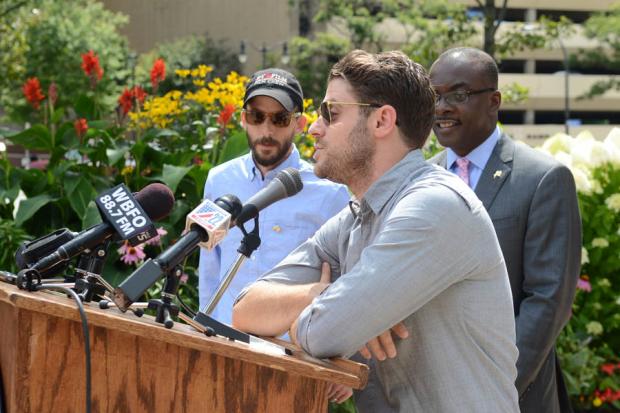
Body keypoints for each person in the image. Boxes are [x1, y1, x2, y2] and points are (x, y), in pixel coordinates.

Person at [233, 50, 519, 412]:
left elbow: (323, 334)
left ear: (382, 121)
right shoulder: (355, 217)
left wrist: (347, 312)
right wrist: (332, 295)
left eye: (331, 113)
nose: (314, 127)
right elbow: (245, 309)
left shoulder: (434, 206)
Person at [428, 47, 581, 413]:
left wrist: (492, 387)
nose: (443, 106)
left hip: (510, 393)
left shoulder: (543, 178)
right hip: (430, 388)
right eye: (434, 96)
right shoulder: (422, 179)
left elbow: (548, 299)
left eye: (459, 95)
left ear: (493, 101)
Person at [198, 68, 349, 328]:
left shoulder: (330, 191)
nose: (266, 130)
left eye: (279, 119)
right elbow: (210, 267)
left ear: (299, 124)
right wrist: (204, 327)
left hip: (288, 347)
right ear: (244, 119)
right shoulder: (219, 180)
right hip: (223, 336)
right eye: (257, 116)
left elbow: (340, 278)